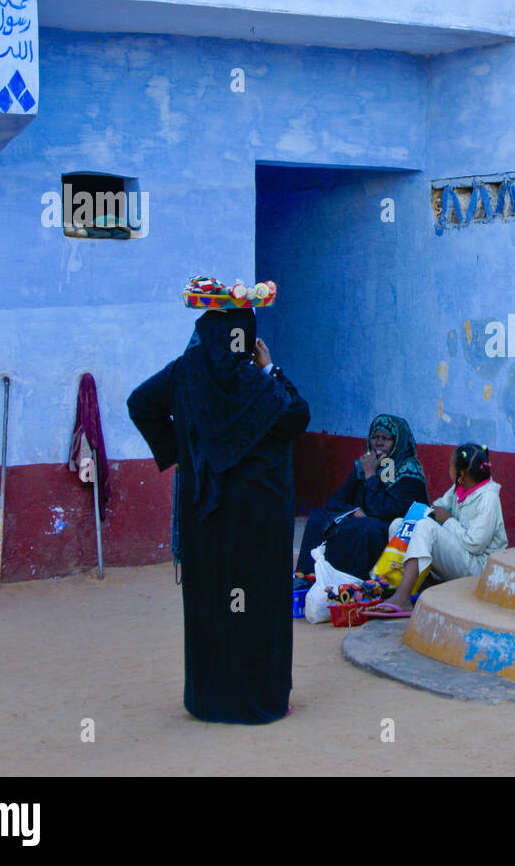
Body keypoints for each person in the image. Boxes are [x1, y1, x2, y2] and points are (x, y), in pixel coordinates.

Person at [128, 303, 309, 724]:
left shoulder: (183, 374)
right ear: (247, 339)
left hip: (205, 517)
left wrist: (187, 451)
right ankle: (258, 699)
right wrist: (271, 369)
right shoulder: (259, 386)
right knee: (256, 606)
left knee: (213, 603)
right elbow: (298, 416)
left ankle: (210, 699)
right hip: (258, 521)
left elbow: (140, 403)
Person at [366, 443, 507, 617]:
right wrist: (425, 515)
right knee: (399, 524)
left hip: (478, 567)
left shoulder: (488, 499)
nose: (449, 468)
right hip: (461, 554)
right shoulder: (459, 488)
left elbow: (475, 544)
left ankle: (402, 597)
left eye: (451, 465)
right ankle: (401, 586)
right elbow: (438, 507)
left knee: (426, 527)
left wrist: (448, 520)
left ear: (461, 474)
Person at [293, 415, 429, 581]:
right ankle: (308, 579)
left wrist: (371, 475)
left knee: (364, 529)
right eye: (375, 437)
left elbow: (388, 509)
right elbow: (336, 501)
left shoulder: (408, 469)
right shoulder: (364, 465)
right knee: (318, 520)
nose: (379, 443)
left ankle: (351, 588)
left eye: (385, 438)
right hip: (363, 519)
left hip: (395, 527)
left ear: (398, 441)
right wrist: (353, 510)